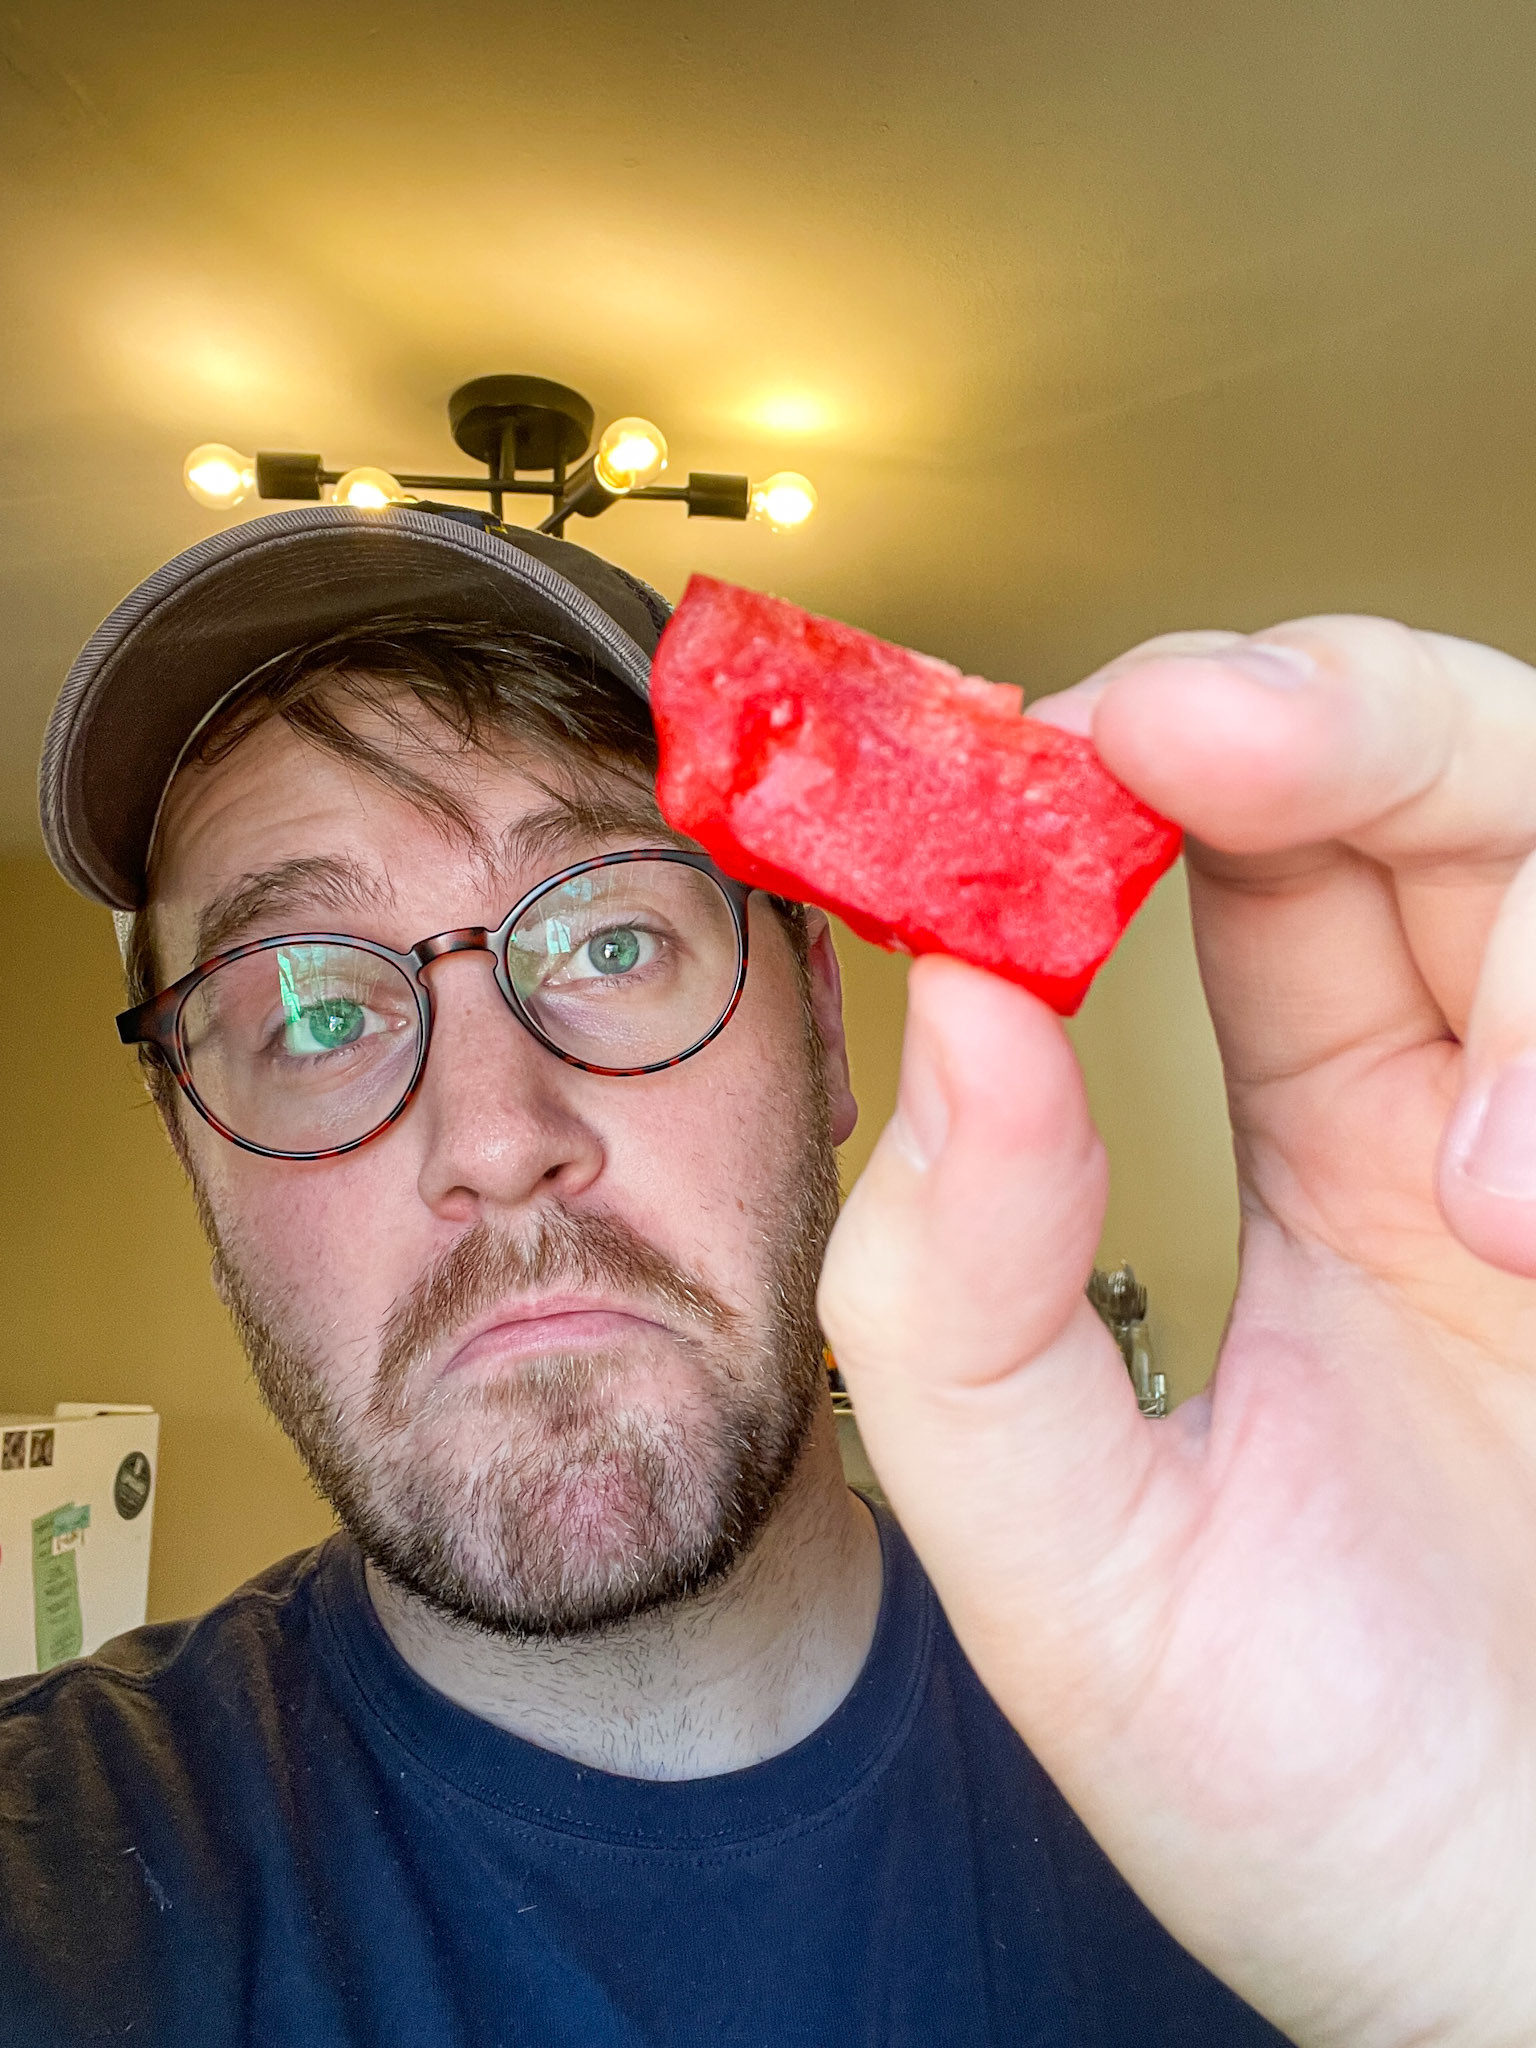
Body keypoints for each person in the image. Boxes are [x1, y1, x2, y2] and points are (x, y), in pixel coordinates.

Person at [1, 501, 1522, 2047]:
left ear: (822, 1026)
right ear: (194, 1146)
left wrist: (1486, 1950)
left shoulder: (1282, 1739)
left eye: (606, 941)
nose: (497, 1138)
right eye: (316, 1017)